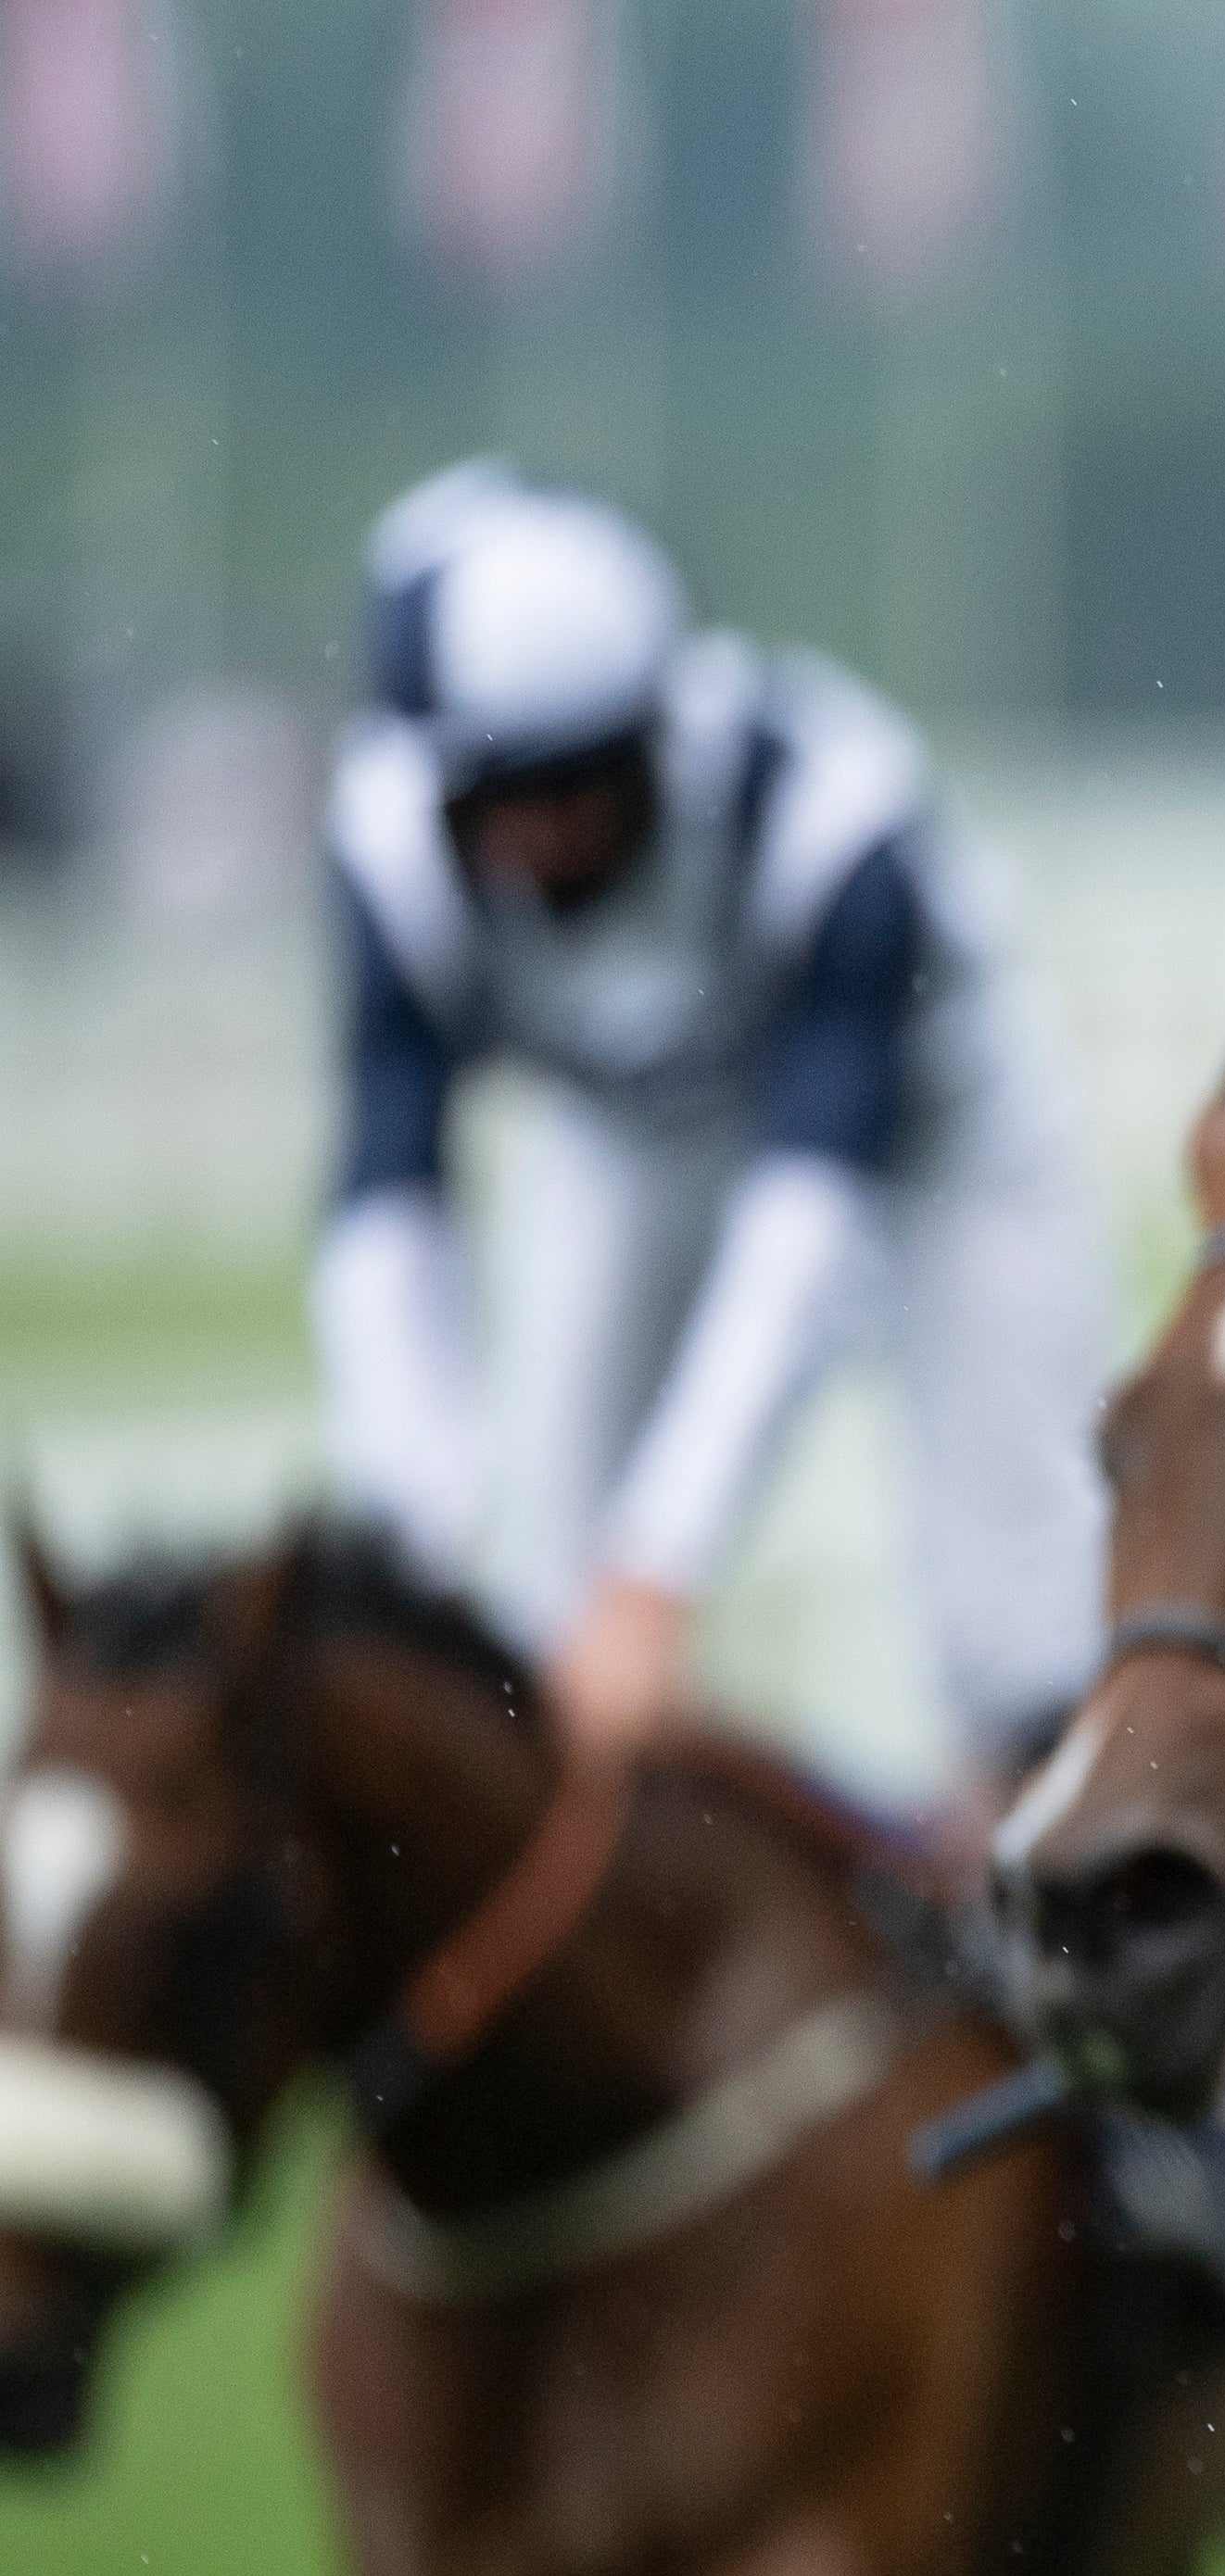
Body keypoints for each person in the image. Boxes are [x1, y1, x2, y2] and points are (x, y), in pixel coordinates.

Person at [311, 466, 1106, 1791]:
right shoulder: (389, 850)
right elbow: (387, 1202)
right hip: (627, 1148)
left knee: (1017, 1624)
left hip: (935, 1153)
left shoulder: (834, 816)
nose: (541, 845)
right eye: (502, 805)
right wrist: (413, 1531)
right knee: (524, 1615)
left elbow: (810, 1226)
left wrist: (660, 1568)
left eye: (576, 792)